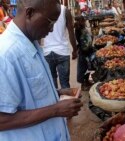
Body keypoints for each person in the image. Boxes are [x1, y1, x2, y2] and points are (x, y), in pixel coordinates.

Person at [0, 0, 83, 140]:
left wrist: (59, 92)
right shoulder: (6, 56)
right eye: (50, 22)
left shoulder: (32, 43)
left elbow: (28, 96)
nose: (51, 29)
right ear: (30, 13)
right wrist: (56, 110)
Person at [43, 4, 77, 89]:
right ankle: (66, 101)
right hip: (62, 52)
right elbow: (71, 32)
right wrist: (75, 50)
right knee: (65, 84)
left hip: (47, 52)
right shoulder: (65, 11)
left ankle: (55, 101)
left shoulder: (43, 9)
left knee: (52, 86)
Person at [74, 16, 93, 91]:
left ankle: (87, 81)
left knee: (87, 68)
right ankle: (83, 85)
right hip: (84, 52)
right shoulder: (79, 30)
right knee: (83, 69)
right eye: (84, 21)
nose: (85, 22)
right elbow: (84, 43)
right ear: (81, 22)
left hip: (86, 51)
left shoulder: (82, 29)